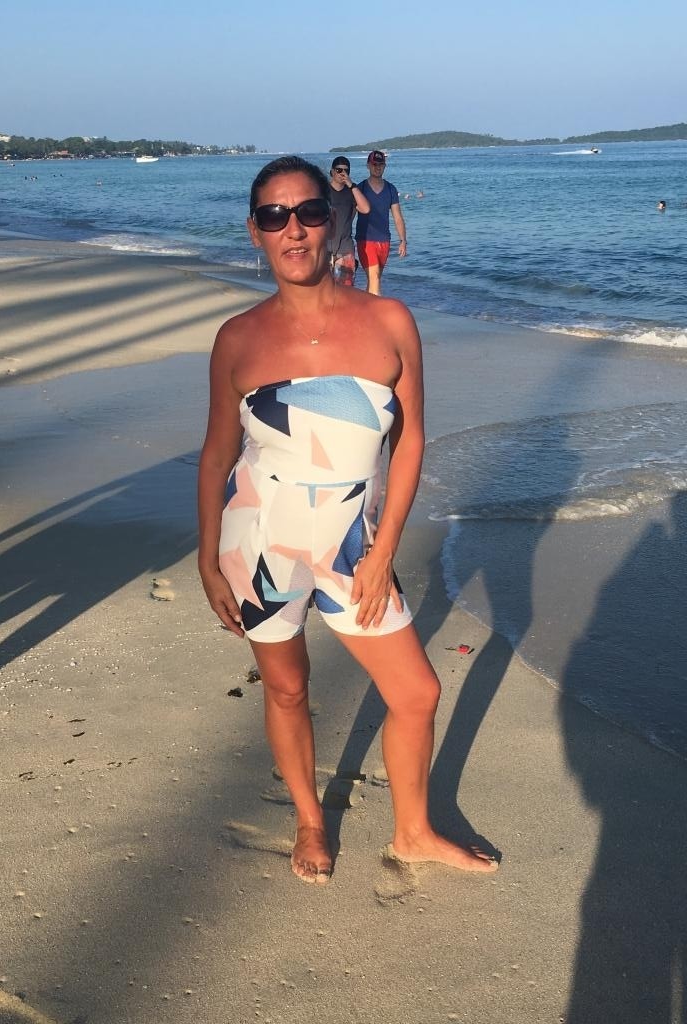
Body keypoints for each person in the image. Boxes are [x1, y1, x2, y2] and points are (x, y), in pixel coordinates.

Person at [198, 156, 497, 885]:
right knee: (287, 688)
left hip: (354, 548)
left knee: (416, 692)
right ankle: (308, 820)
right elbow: (216, 453)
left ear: (332, 221)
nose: (293, 229)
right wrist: (207, 558)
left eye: (307, 212)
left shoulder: (389, 320)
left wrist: (384, 546)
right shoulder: (237, 338)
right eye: (274, 216)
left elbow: (411, 439)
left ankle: (414, 831)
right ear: (255, 232)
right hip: (259, 545)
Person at [354, 150, 407, 296]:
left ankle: (365, 307)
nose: (377, 167)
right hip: (365, 240)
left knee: (374, 281)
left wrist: (403, 240)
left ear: (385, 166)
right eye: (374, 164)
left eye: (380, 164)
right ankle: (378, 309)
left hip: (384, 241)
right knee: (375, 278)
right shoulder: (360, 189)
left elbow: (397, 216)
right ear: (368, 166)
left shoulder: (390, 189)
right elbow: (350, 215)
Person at [328, 156, 370, 286]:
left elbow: (365, 209)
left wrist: (352, 185)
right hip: (324, 248)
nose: (342, 173)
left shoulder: (352, 193)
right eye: (339, 170)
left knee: (345, 291)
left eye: (346, 171)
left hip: (345, 248)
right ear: (332, 171)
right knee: (322, 291)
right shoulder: (322, 191)